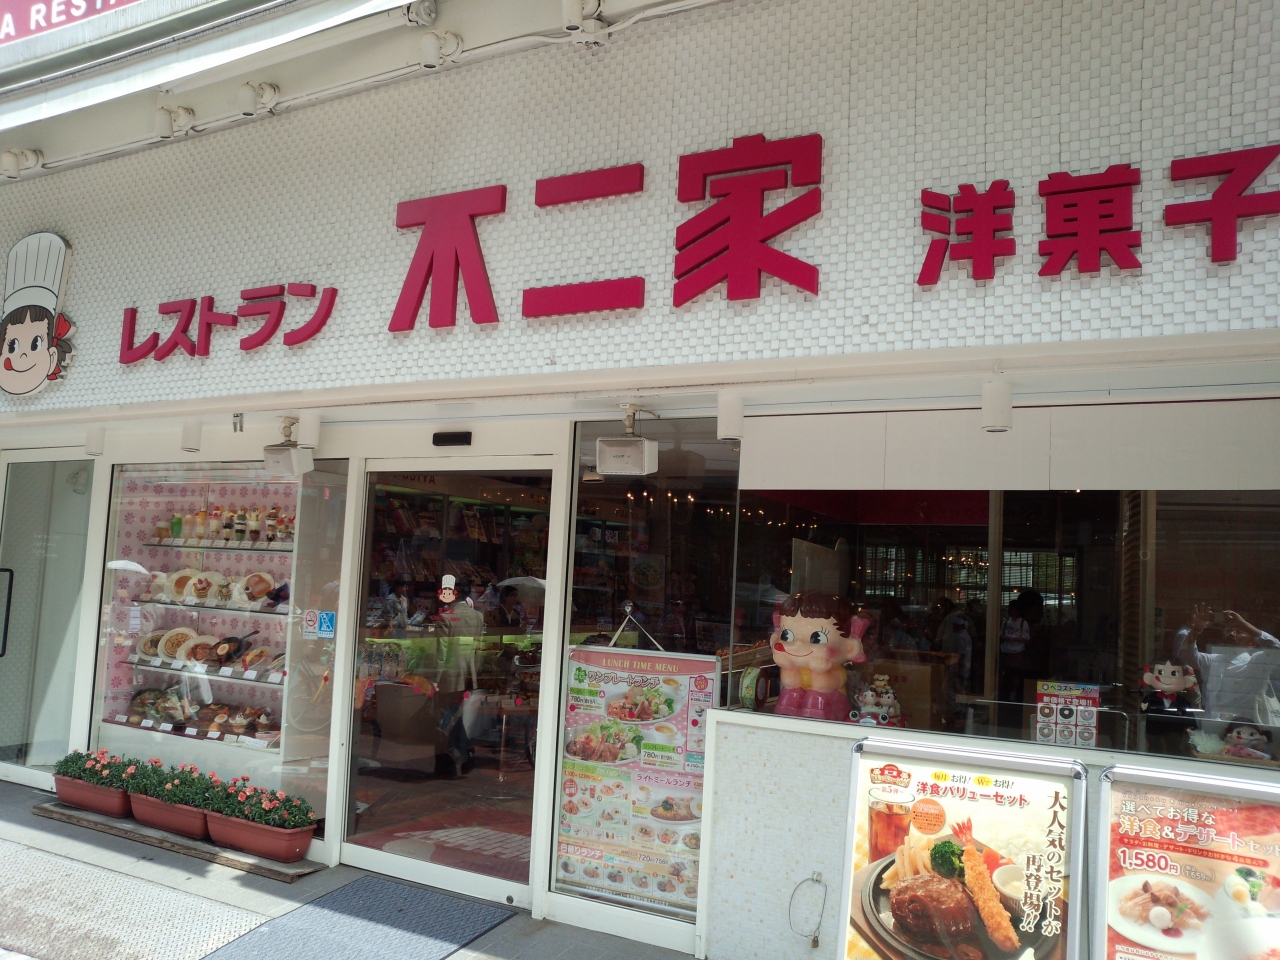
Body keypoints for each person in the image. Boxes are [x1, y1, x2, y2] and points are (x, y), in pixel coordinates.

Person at [1176, 604, 1280, 724]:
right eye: (1229, 630)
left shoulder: (1255, 663)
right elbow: (1186, 655)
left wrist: (1244, 625)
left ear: (1252, 643)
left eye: (1239, 632)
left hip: (1243, 728)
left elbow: (1276, 649)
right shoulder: (1213, 660)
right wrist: (1196, 630)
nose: (1232, 634)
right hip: (1212, 725)